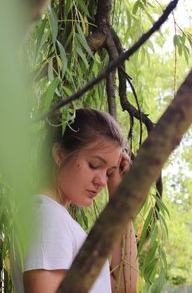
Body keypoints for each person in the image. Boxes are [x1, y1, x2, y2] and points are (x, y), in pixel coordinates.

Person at [22, 108, 139, 292]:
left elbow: (123, 286)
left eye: (108, 172)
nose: (102, 181)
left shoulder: (57, 219)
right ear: (59, 154)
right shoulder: (49, 217)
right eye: (94, 165)